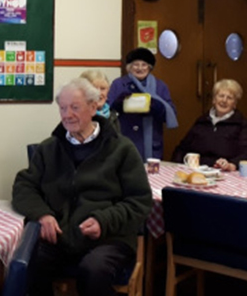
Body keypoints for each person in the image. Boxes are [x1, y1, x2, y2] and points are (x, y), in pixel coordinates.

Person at [12, 78, 152, 296]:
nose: (67, 115)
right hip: (60, 235)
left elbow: (140, 201)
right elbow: (24, 186)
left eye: (75, 108)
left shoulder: (121, 149)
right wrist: (43, 215)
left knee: (93, 271)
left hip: (109, 237)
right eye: (63, 108)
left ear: (93, 107)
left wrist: (103, 220)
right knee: (28, 262)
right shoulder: (49, 148)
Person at [171, 79, 247, 171]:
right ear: (214, 99)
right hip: (199, 171)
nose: (224, 100)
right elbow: (182, 148)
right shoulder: (202, 122)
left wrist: (232, 164)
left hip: (227, 173)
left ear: (235, 104)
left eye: (229, 98)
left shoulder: (243, 125)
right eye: (221, 96)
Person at [108, 48, 178, 161]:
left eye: (144, 65)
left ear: (149, 67)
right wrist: (119, 103)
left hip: (151, 144)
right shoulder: (118, 84)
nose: (140, 68)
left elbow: (171, 113)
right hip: (124, 139)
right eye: (136, 65)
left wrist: (156, 106)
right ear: (129, 67)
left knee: (152, 177)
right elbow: (108, 110)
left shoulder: (160, 86)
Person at [79, 69, 120, 133]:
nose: (99, 93)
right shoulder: (76, 117)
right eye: (94, 88)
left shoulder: (113, 115)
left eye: (103, 88)